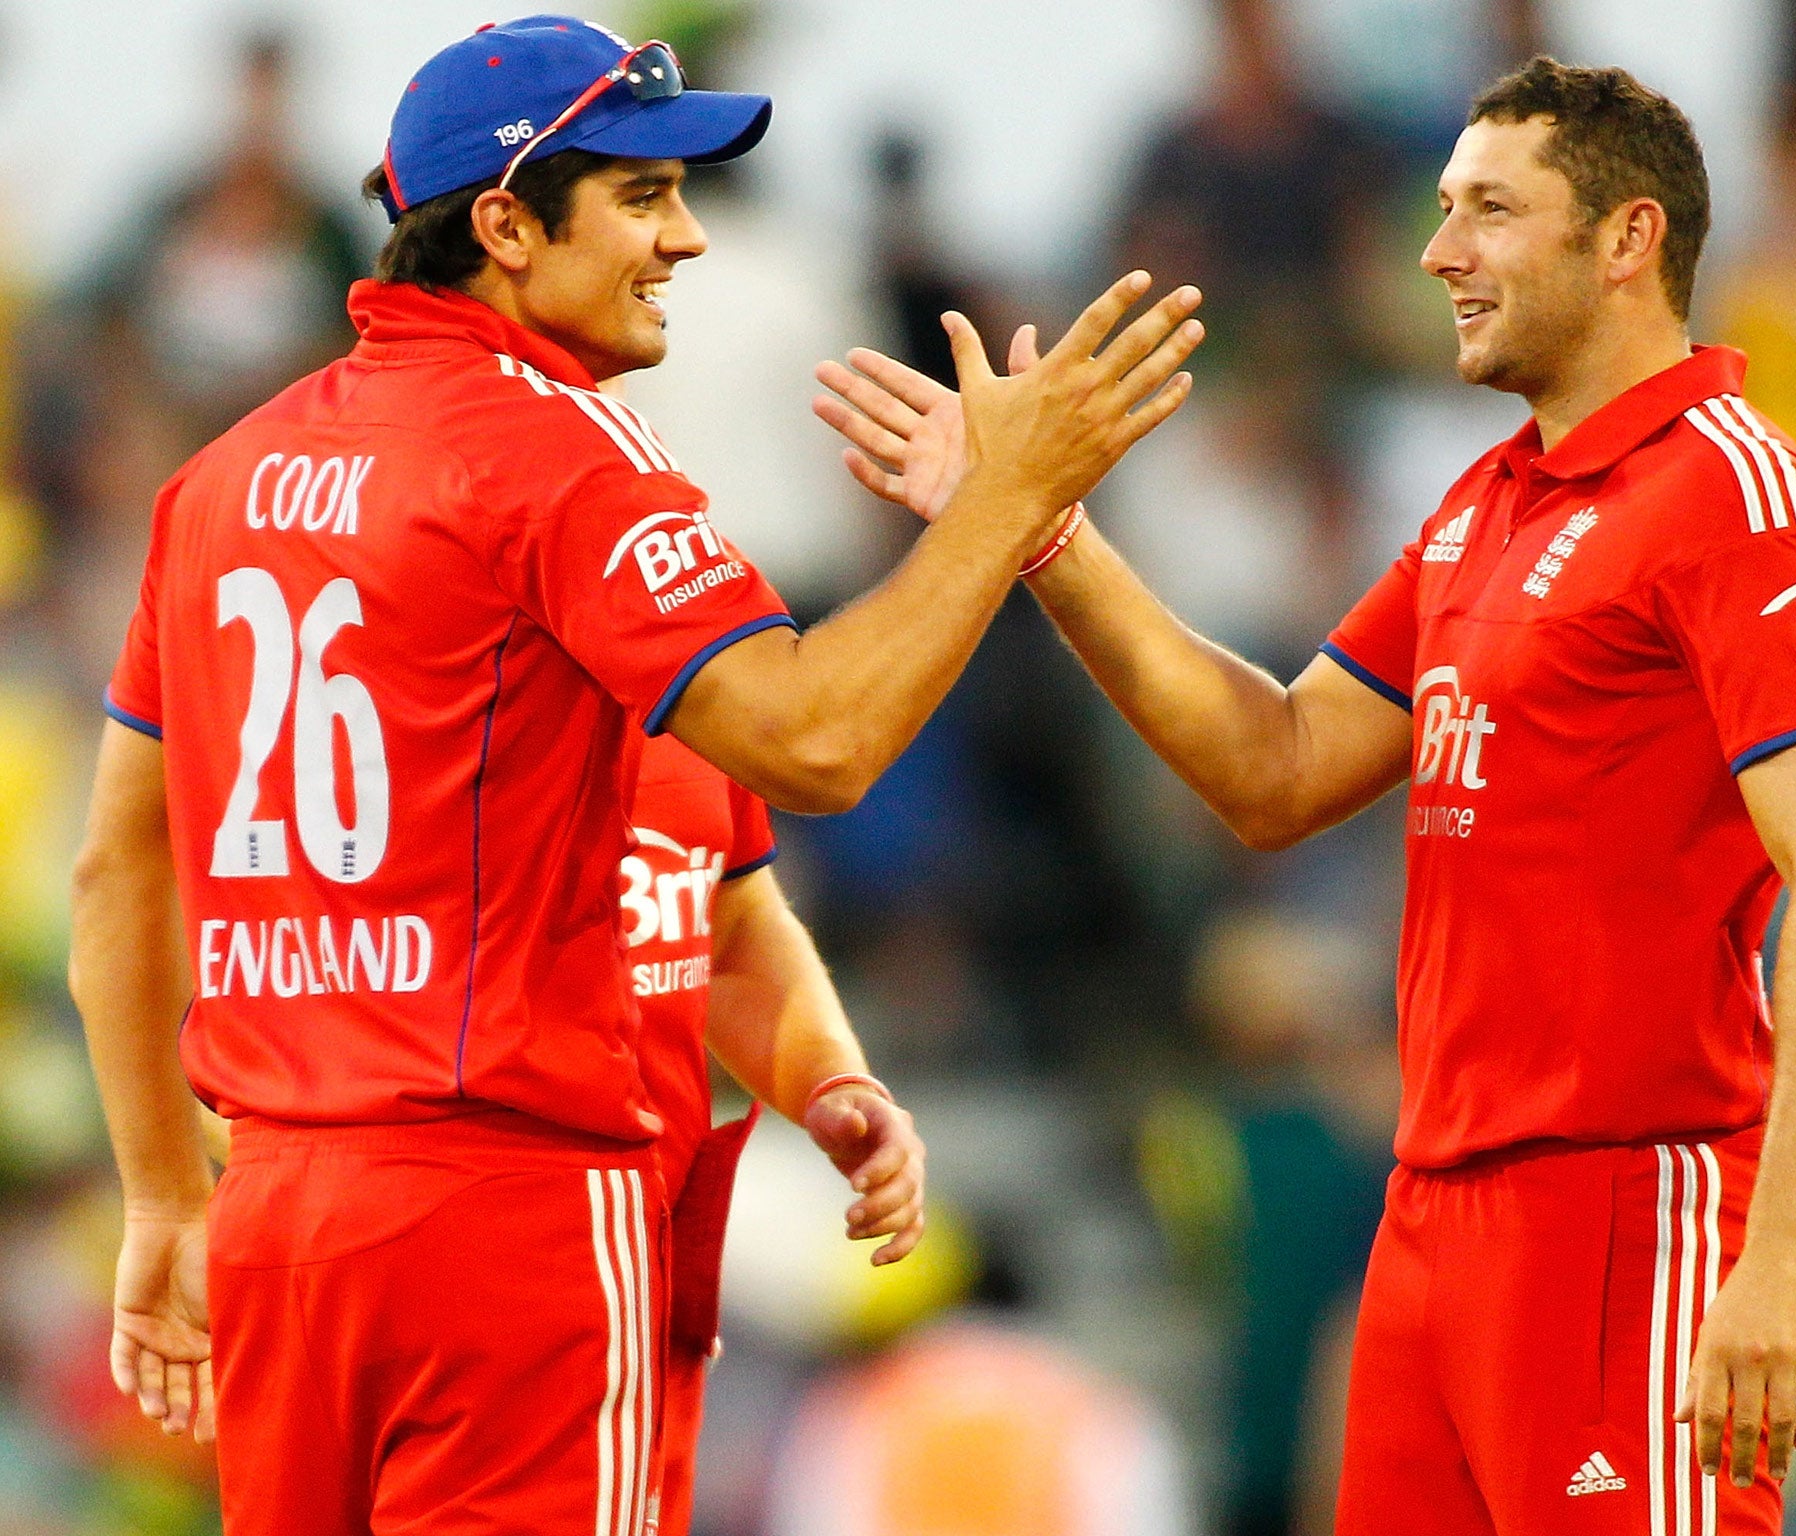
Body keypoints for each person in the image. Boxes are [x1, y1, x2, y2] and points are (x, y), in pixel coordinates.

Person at [67, 14, 1202, 1534]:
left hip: (282, 1216)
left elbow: (119, 869)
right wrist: (1009, 503)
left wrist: (158, 1192)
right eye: (645, 197)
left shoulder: (219, 485)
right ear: (506, 226)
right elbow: (816, 741)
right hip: (509, 1214)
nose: (683, 240)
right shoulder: (562, 459)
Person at [817, 56, 1796, 1535]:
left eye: (1489, 212)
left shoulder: (1741, 502)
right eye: (1444, 208)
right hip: (1434, 1215)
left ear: (1628, 240)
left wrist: (1790, 1246)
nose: (1436, 251)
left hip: (1624, 1218)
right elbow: (1275, 770)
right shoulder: (1486, 507)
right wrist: (1040, 530)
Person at [622, 730, 916, 1532]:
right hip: (471, 1211)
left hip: (702, 1439)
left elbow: (734, 920)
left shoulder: (689, 718)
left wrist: (837, 1078)